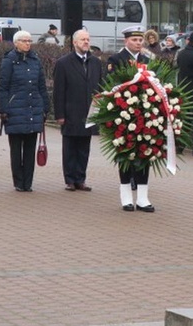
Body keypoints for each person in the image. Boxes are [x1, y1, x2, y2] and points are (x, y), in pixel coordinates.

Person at [107, 25, 155, 211]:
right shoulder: (116, 59)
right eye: (134, 40)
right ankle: (126, 196)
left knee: (144, 153)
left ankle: (143, 198)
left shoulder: (146, 60)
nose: (138, 43)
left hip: (144, 115)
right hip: (123, 116)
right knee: (126, 154)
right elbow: (112, 84)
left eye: (140, 40)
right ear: (125, 41)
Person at [0, 31, 50, 192]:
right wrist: (4, 109)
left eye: (29, 41)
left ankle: (28, 182)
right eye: (24, 41)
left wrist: (45, 107)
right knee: (16, 149)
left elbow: (41, 86)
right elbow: (3, 87)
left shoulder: (35, 60)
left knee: (30, 148)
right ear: (16, 43)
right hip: (15, 110)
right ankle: (18, 182)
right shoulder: (9, 61)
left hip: (33, 108)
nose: (28, 43)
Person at [54, 29, 103, 192]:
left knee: (84, 148)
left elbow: (101, 88)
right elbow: (58, 91)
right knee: (70, 148)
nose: (86, 42)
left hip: (89, 112)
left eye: (88, 39)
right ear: (74, 43)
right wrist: (59, 114)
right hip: (70, 112)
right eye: (82, 40)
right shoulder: (64, 63)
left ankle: (80, 179)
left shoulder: (95, 62)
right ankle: (69, 179)